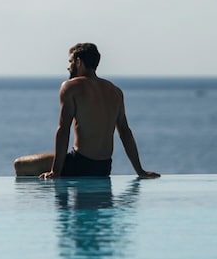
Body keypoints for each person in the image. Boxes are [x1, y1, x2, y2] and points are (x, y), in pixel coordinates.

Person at [14, 42, 160, 180]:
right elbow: (125, 132)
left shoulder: (71, 87)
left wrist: (55, 172)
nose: (68, 67)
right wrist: (140, 171)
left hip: (79, 164)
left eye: (70, 62)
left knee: (20, 165)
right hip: (104, 167)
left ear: (79, 62)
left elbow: (63, 130)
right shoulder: (115, 91)